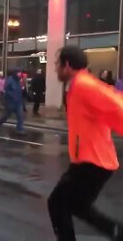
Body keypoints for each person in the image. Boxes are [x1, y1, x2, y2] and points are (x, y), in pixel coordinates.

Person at [48, 46, 123, 241]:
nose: (55, 69)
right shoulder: (78, 84)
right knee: (77, 206)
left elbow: (117, 106)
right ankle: (117, 231)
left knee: (57, 204)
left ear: (66, 65)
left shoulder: (84, 85)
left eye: (57, 64)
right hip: (91, 160)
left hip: (94, 161)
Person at [0, 68, 25, 135]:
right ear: (15, 73)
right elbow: (6, 90)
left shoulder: (18, 80)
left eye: (20, 72)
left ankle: (20, 129)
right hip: (10, 102)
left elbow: (19, 90)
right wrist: (10, 97)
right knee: (6, 116)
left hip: (18, 102)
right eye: (18, 72)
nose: (20, 74)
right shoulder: (9, 80)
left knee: (20, 116)